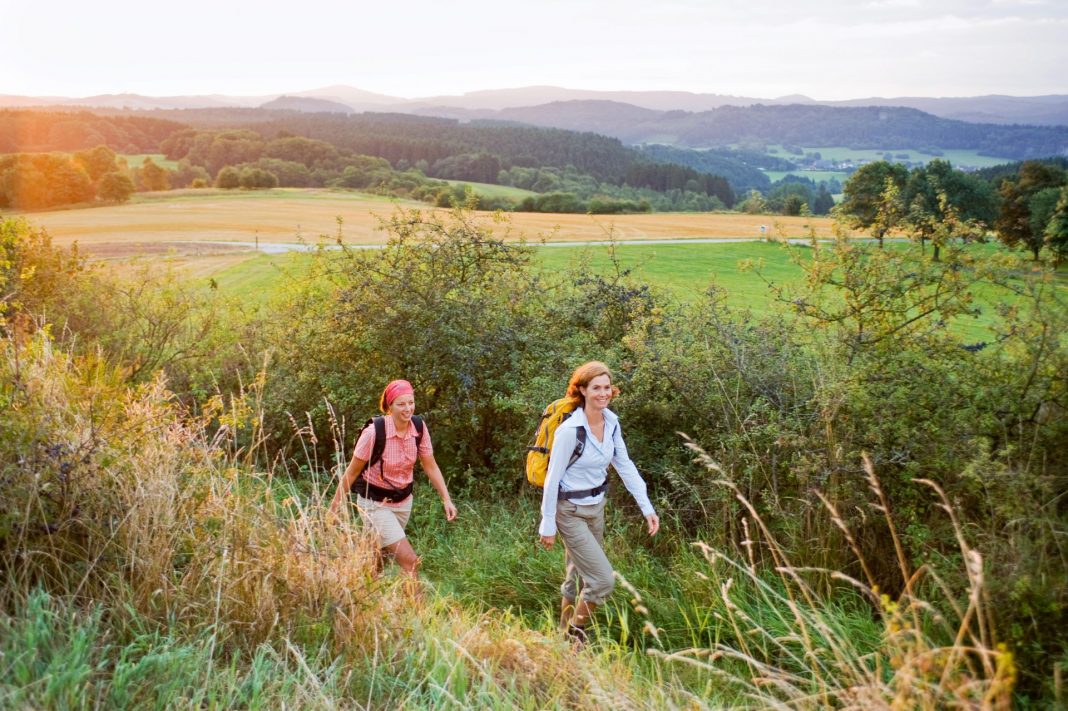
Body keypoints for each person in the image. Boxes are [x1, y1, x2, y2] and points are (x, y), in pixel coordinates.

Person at [538, 361, 659, 647]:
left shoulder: (612, 422)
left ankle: (562, 641)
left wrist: (647, 508)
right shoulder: (570, 430)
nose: (603, 394)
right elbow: (552, 479)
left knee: (576, 575)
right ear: (582, 390)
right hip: (570, 512)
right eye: (596, 388)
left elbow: (625, 465)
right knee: (602, 580)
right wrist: (547, 523)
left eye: (607, 388)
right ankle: (575, 635)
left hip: (596, 507)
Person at [329, 379, 457, 581]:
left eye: (411, 402)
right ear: (390, 406)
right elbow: (352, 472)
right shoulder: (374, 433)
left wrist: (447, 499)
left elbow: (430, 466)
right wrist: (333, 508)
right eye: (401, 404)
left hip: (403, 502)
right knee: (410, 561)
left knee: (379, 556)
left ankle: (361, 591)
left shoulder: (418, 427)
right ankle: (419, 611)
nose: (408, 409)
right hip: (375, 504)